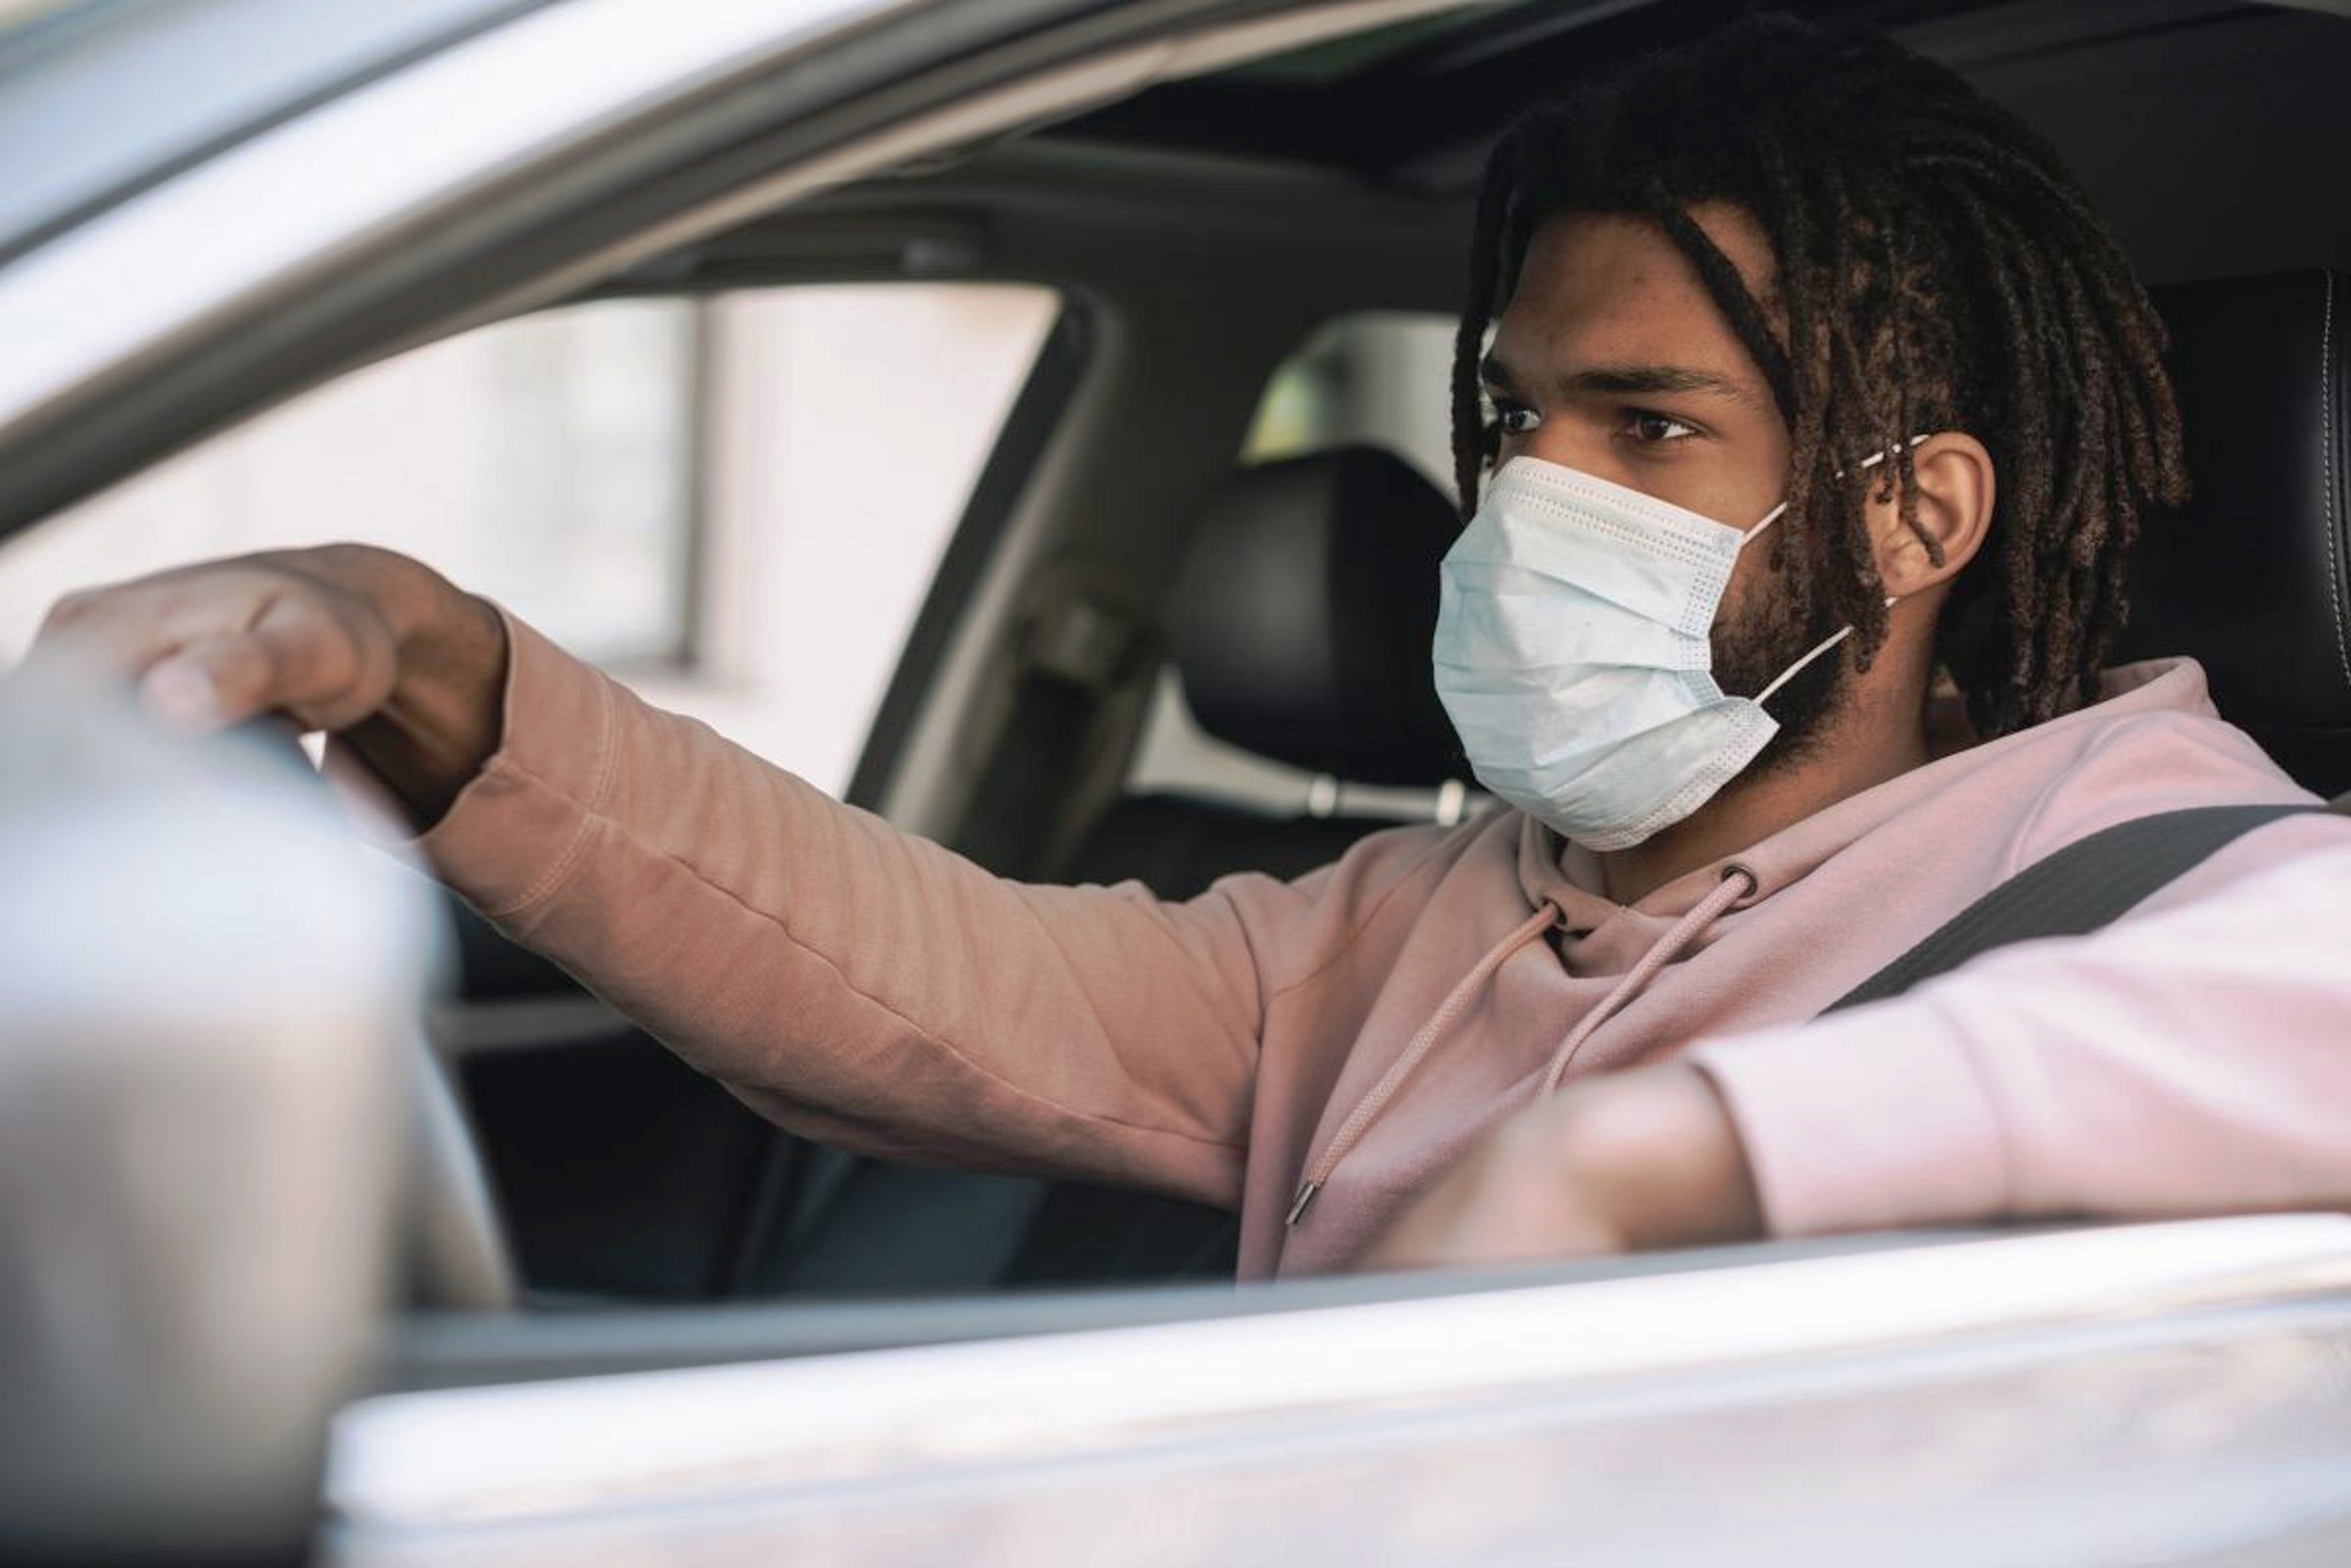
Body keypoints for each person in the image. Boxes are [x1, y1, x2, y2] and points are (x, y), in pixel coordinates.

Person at [25, 15, 2351, 1280]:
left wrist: (1651, 1169)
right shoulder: (1450, 907)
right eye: (1517, 413)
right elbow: (939, 984)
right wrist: (433, 664)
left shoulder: (2164, 874)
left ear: (1917, 511)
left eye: (1653, 425)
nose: (1537, 489)